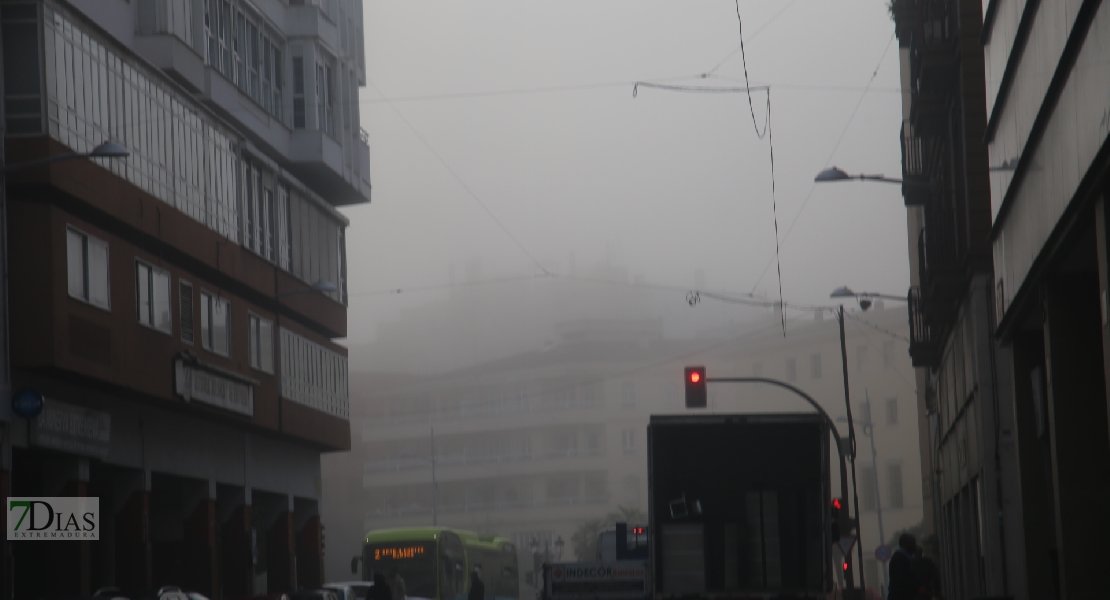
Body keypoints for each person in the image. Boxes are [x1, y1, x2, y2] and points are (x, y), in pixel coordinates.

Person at [888, 534, 919, 600]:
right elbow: (902, 581)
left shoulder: (904, 558)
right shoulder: (900, 559)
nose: (915, 546)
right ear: (905, 544)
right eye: (913, 543)